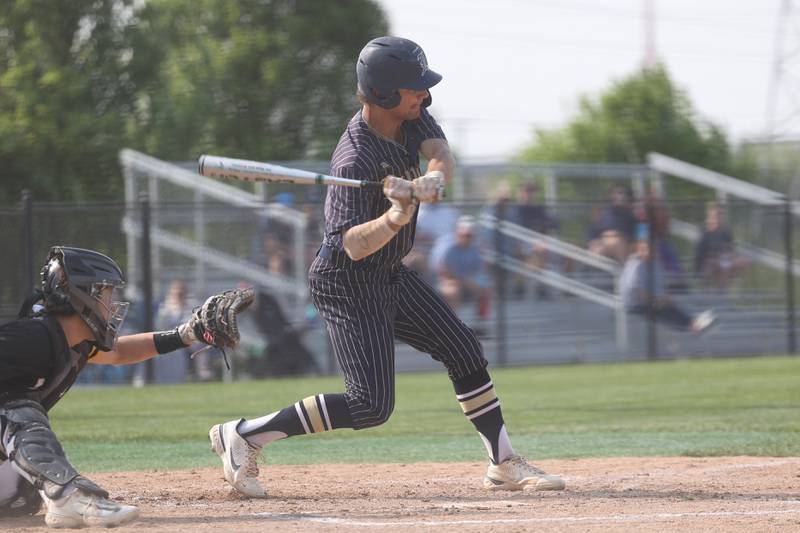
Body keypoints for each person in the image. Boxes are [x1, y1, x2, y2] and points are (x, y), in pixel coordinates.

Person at [208, 36, 565, 499]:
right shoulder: (354, 158)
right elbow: (352, 246)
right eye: (414, 87)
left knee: (464, 349)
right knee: (370, 406)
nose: (425, 94)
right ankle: (244, 435)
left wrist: (432, 178)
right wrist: (396, 214)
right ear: (382, 94)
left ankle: (503, 463)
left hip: (389, 272)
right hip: (346, 282)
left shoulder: (411, 116)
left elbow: (440, 152)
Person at [0, 246, 250, 528]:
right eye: (107, 292)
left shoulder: (72, 343)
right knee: (15, 411)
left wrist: (186, 334)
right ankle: (67, 496)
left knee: (23, 486)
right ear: (83, 294)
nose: (114, 302)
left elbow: (119, 353)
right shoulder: (34, 337)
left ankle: (59, 495)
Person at [620, 239, 716, 333]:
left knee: (671, 304)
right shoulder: (636, 265)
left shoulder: (655, 264)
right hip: (635, 305)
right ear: (640, 249)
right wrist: (656, 300)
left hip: (647, 301)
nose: (653, 252)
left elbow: (659, 288)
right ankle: (691, 326)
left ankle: (693, 323)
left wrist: (665, 298)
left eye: (654, 249)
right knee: (664, 310)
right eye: (649, 249)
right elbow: (638, 292)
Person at [432, 215, 491, 325]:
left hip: (466, 280)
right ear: (457, 232)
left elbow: (478, 269)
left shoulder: (474, 248)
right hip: (445, 281)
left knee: (485, 288)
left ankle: (481, 324)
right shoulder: (447, 246)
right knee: (454, 292)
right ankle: (452, 325)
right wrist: (465, 281)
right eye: (465, 235)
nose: (467, 237)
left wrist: (472, 282)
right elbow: (443, 271)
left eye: (469, 235)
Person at [694, 202, 749, 290]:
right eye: (716, 214)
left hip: (723, 259)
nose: (719, 217)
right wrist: (719, 255)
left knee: (742, 261)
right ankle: (720, 293)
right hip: (707, 263)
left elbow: (731, 249)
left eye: (721, 214)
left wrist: (732, 255)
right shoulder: (705, 231)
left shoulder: (726, 232)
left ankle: (725, 289)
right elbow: (702, 254)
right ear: (710, 215)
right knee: (720, 265)